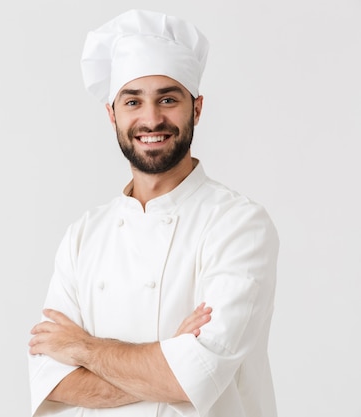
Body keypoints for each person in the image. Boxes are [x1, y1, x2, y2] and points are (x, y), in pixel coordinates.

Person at [27, 9, 279, 417]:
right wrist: (166, 358)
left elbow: (188, 378)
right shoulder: (83, 236)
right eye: (132, 101)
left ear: (196, 109)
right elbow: (52, 385)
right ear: (112, 115)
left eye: (168, 98)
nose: (151, 119)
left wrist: (83, 349)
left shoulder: (239, 224)